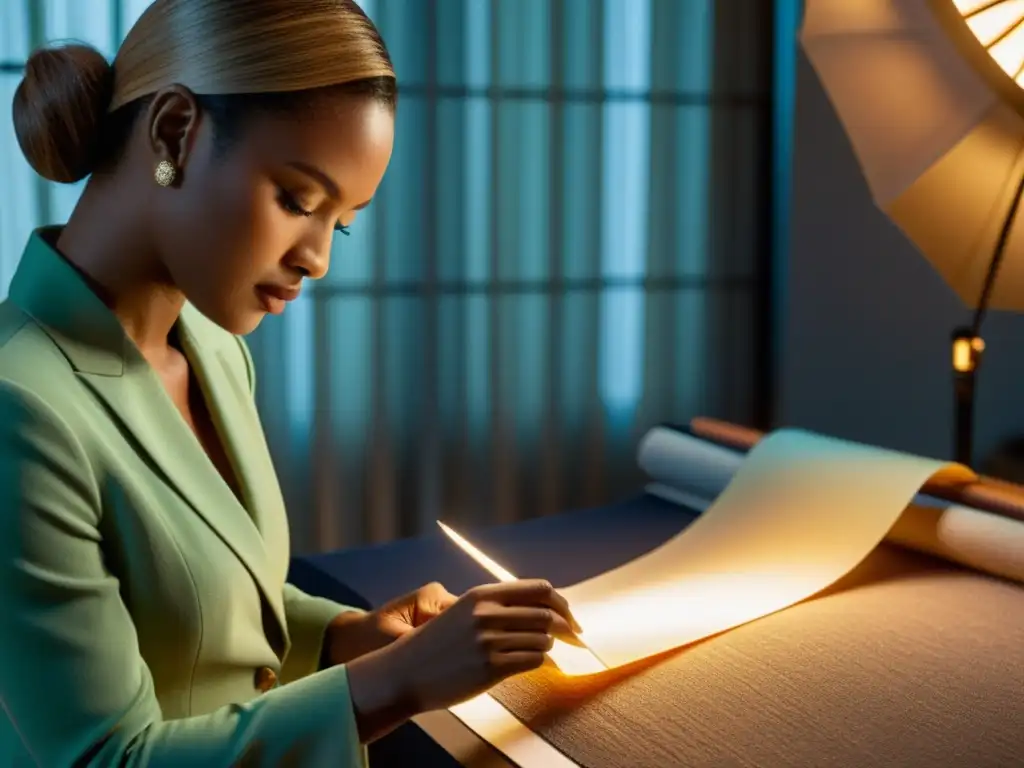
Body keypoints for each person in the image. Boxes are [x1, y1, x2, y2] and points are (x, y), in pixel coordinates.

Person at [0, 1, 582, 765]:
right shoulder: (21, 407)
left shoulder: (210, 347)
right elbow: (109, 756)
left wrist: (348, 636)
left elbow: (207, 614)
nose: (319, 260)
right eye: (298, 200)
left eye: (338, 223)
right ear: (175, 131)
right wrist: (399, 681)